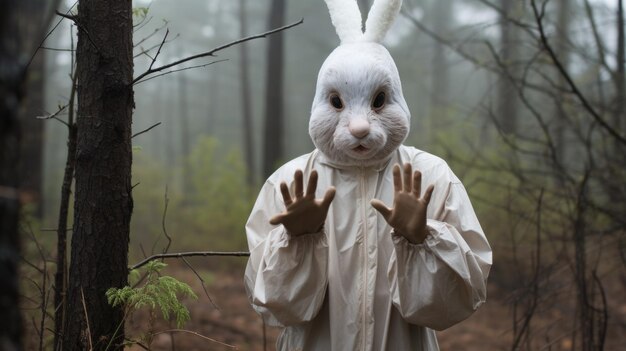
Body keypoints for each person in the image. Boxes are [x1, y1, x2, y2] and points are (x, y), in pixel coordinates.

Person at [244, 0, 492, 349]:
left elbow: (458, 301)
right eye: (337, 103)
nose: (359, 126)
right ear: (320, 101)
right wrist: (297, 242)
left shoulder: (432, 176)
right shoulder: (289, 182)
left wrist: (423, 238)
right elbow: (274, 307)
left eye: (377, 101)